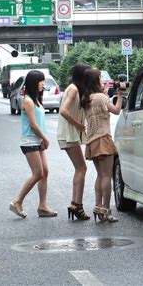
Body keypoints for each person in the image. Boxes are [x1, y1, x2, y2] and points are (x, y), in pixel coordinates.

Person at [9, 70, 57, 219]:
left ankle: (43, 206)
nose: (43, 84)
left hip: (38, 141)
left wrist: (42, 139)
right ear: (33, 83)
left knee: (45, 171)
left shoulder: (36, 99)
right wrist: (45, 138)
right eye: (40, 81)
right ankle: (17, 201)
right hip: (30, 141)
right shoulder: (28, 100)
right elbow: (33, 124)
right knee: (38, 173)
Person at [80, 68, 124, 222]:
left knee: (100, 175)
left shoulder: (87, 97)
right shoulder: (101, 97)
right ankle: (105, 209)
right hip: (103, 139)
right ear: (95, 81)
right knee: (107, 176)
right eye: (100, 78)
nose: (103, 80)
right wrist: (120, 95)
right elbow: (117, 111)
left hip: (91, 140)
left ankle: (98, 206)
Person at [57, 63, 91, 221]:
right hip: (69, 134)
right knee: (81, 168)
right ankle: (76, 205)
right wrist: (78, 124)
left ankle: (76, 204)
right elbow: (63, 110)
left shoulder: (78, 89)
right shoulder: (73, 89)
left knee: (80, 168)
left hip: (71, 134)